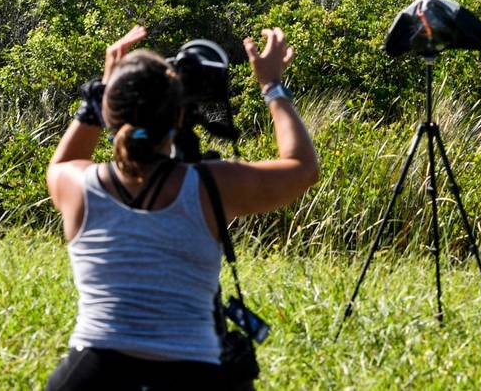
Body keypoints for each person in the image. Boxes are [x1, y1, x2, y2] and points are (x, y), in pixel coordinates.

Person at [44, 25, 318, 390]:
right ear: (178, 116)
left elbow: (65, 160)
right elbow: (303, 168)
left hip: (92, 373)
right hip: (190, 374)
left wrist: (101, 93)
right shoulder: (210, 186)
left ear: (108, 112)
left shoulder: (76, 186)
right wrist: (272, 85)